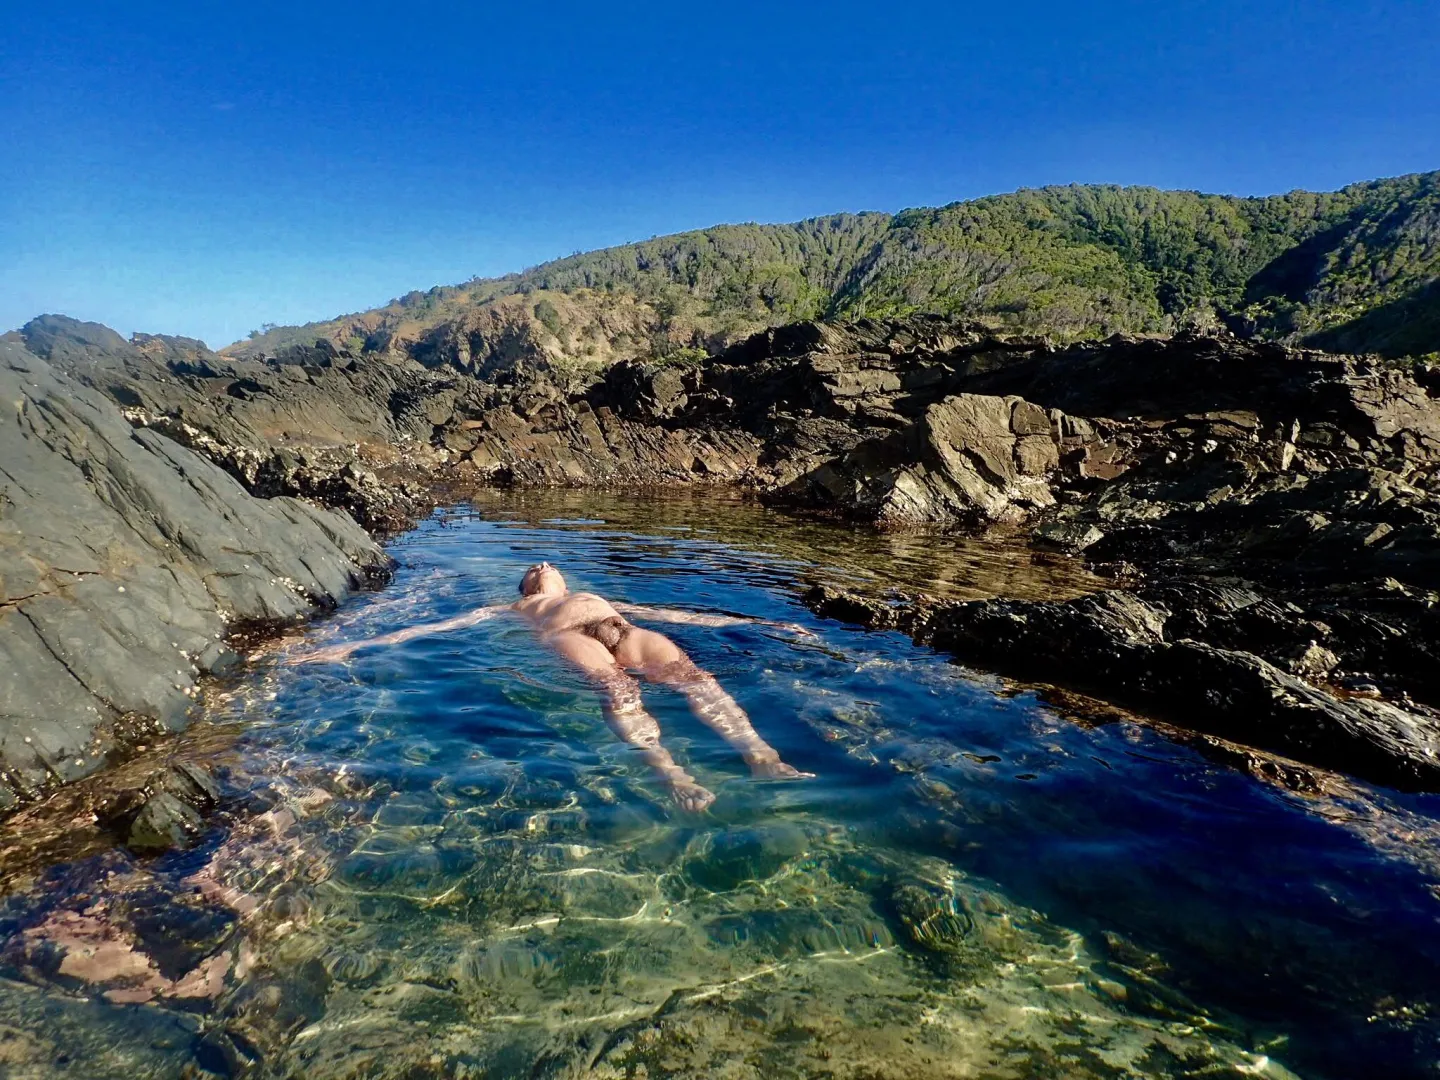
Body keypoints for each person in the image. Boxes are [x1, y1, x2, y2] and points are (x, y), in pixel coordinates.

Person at [292, 562, 814, 811]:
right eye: (532, 568)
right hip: (568, 638)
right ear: (528, 586)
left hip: (625, 631)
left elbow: (671, 613)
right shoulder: (516, 606)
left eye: (547, 565)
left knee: (699, 681)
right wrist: (351, 647)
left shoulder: (599, 593)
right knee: (619, 690)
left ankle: (760, 756)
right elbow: (436, 630)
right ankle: (670, 773)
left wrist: (764, 626)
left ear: (561, 578)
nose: (541, 565)